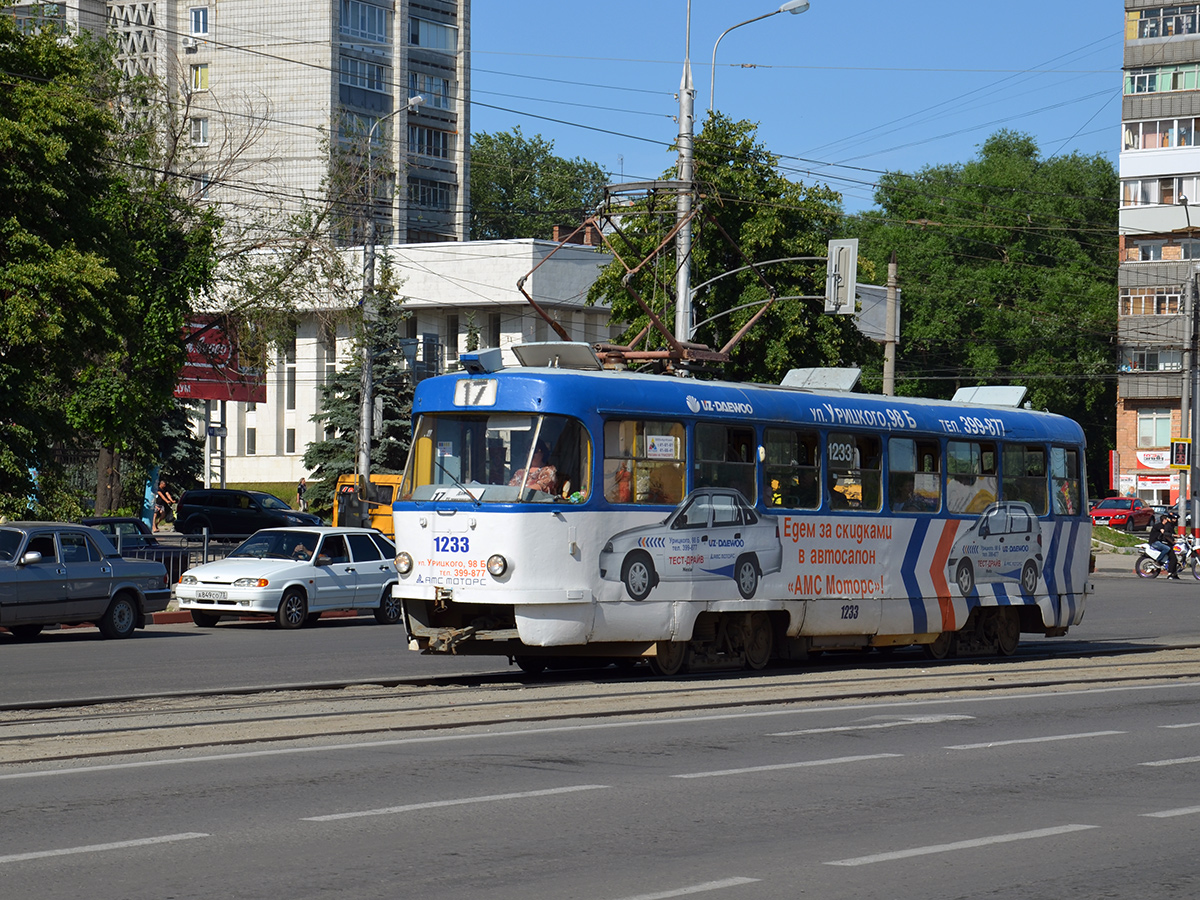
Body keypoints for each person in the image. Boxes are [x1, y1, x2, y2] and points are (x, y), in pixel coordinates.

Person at [1149, 512, 1179, 578]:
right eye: (1167, 519)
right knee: (1167, 549)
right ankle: (1157, 561)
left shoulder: (1168, 525)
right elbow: (1165, 533)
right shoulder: (1159, 525)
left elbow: (1170, 533)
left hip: (1159, 541)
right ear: (1164, 520)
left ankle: (1174, 574)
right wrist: (1172, 540)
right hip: (1154, 542)